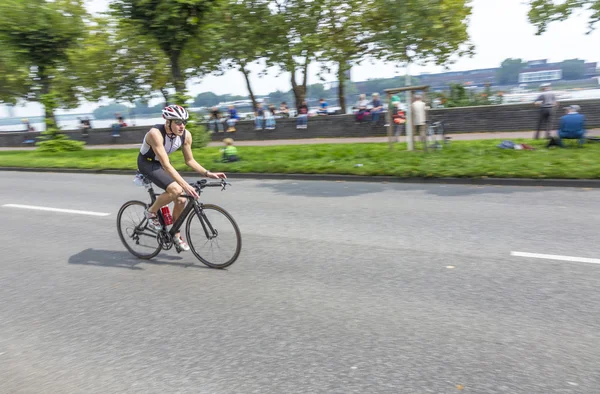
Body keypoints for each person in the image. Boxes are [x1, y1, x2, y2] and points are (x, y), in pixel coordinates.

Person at [137, 104, 227, 252]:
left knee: (182, 199)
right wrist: (185, 186)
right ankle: (151, 212)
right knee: (176, 189)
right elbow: (166, 165)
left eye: (184, 122)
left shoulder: (186, 135)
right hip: (147, 164)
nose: (182, 126)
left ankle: (175, 234)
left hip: (162, 165)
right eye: (178, 122)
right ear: (168, 122)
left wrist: (208, 173)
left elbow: (189, 160)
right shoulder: (155, 134)